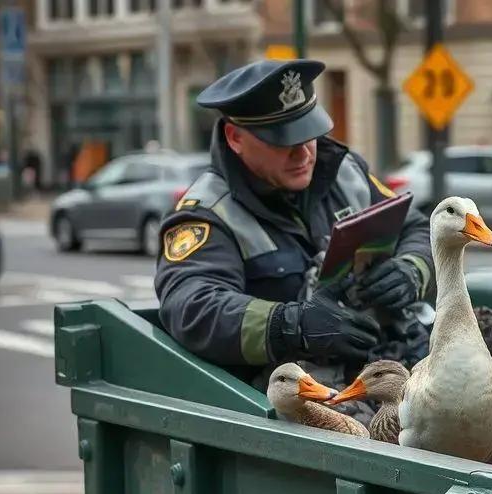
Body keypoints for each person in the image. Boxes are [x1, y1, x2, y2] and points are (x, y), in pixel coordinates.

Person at [154, 59, 434, 387]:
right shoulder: (207, 214)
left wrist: (411, 271)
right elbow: (193, 307)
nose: (303, 154)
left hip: (388, 366)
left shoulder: (346, 172)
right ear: (235, 138)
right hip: (293, 398)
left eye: (310, 134)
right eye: (283, 141)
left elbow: (417, 229)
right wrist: (292, 326)